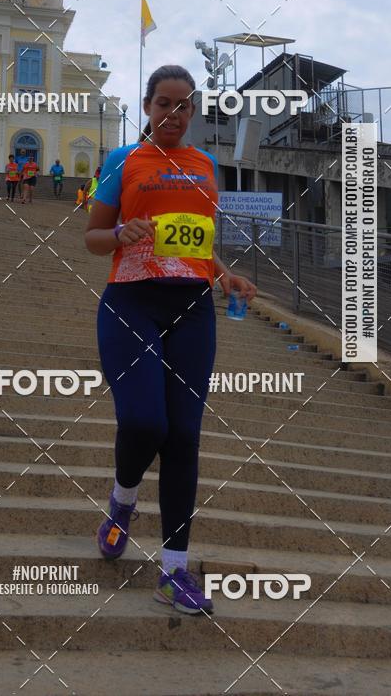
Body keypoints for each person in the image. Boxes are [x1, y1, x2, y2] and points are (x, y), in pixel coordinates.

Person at [85, 65, 256, 616]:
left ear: (193, 112)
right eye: (164, 103)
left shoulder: (205, 165)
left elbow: (198, 240)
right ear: (148, 106)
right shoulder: (123, 160)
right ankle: (122, 501)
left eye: (184, 106)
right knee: (144, 423)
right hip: (131, 301)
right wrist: (120, 232)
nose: (173, 114)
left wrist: (224, 274)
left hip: (192, 308)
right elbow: (92, 237)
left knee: (183, 436)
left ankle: (174, 572)